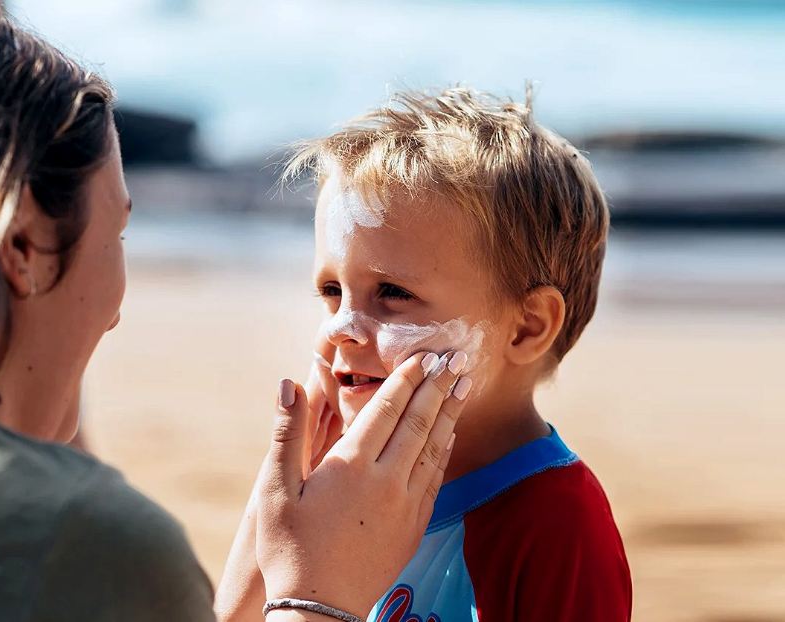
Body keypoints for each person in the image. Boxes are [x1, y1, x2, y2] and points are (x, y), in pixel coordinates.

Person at [0, 2, 468, 621]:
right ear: (24, 249)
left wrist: (264, 555)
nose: (116, 314)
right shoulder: (84, 539)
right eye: (116, 234)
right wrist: (322, 597)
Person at [217, 88, 632, 621]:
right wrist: (271, 519)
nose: (342, 327)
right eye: (331, 292)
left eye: (392, 293)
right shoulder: (337, 493)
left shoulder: (555, 522)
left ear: (527, 328)